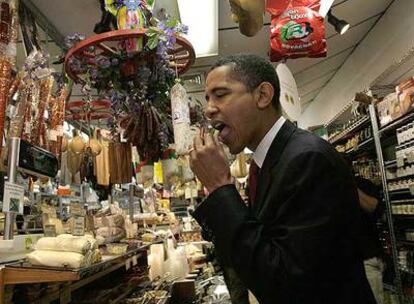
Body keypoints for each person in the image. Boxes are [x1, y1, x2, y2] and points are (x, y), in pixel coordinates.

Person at [189, 54, 376, 303]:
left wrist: (220, 187)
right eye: (207, 99)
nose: (209, 109)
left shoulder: (307, 159)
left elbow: (286, 282)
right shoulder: (269, 161)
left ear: (263, 96)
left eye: (220, 94)